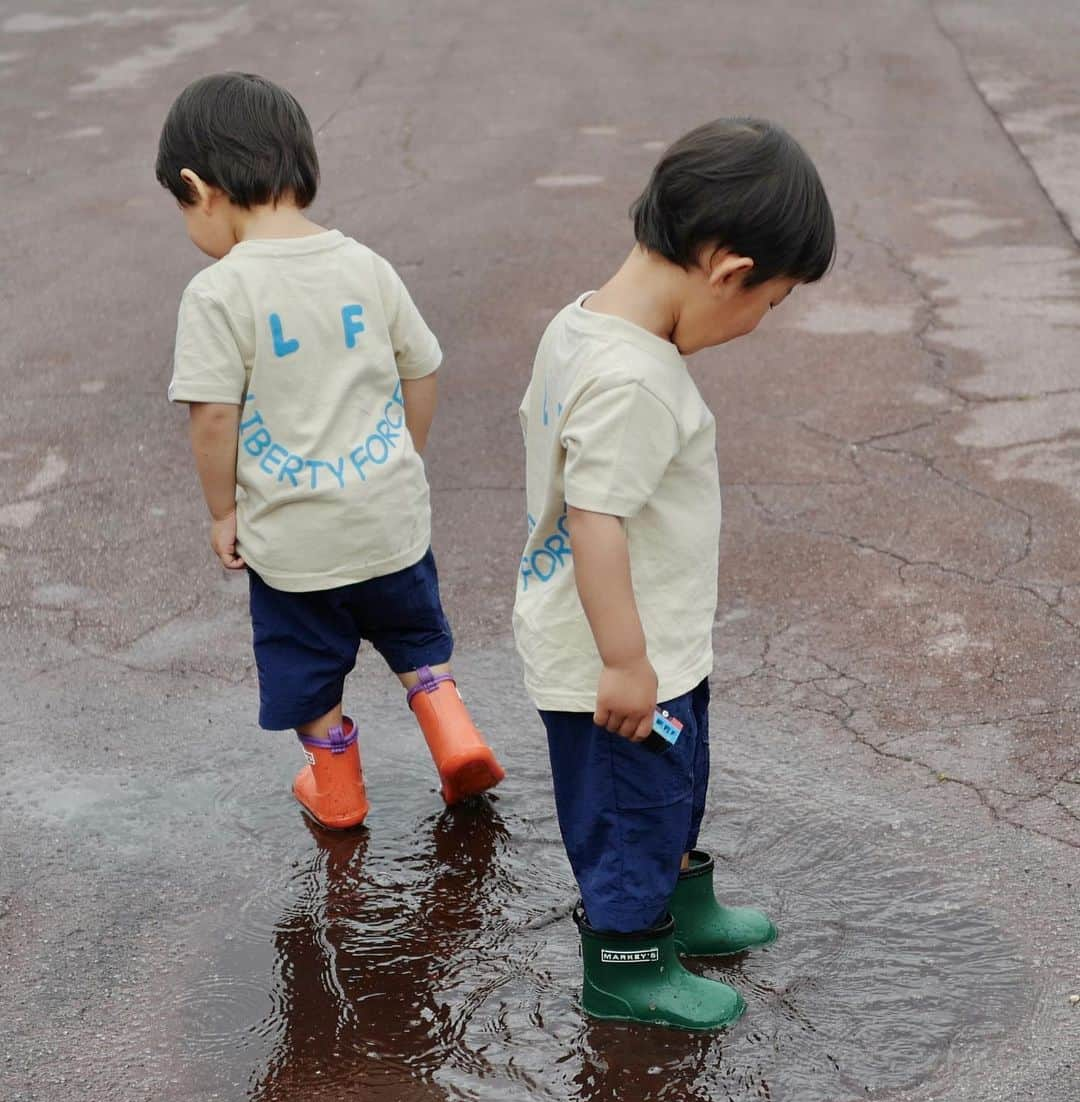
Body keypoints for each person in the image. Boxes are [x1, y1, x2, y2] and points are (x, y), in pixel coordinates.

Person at [514, 118, 835, 1030]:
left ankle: (680, 907)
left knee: (674, 783)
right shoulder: (636, 380)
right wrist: (624, 660)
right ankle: (627, 965)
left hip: (652, 640)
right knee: (630, 811)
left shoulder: (583, 327)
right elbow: (595, 516)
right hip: (616, 656)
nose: (758, 324)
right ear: (729, 271)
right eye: (768, 303)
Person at [157, 72, 503, 828]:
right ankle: (453, 734)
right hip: (389, 522)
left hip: (296, 544)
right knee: (415, 636)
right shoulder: (364, 265)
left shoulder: (218, 293)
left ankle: (338, 790)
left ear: (198, 187)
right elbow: (423, 366)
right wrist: (402, 456)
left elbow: (213, 418)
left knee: (307, 665)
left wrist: (224, 511)